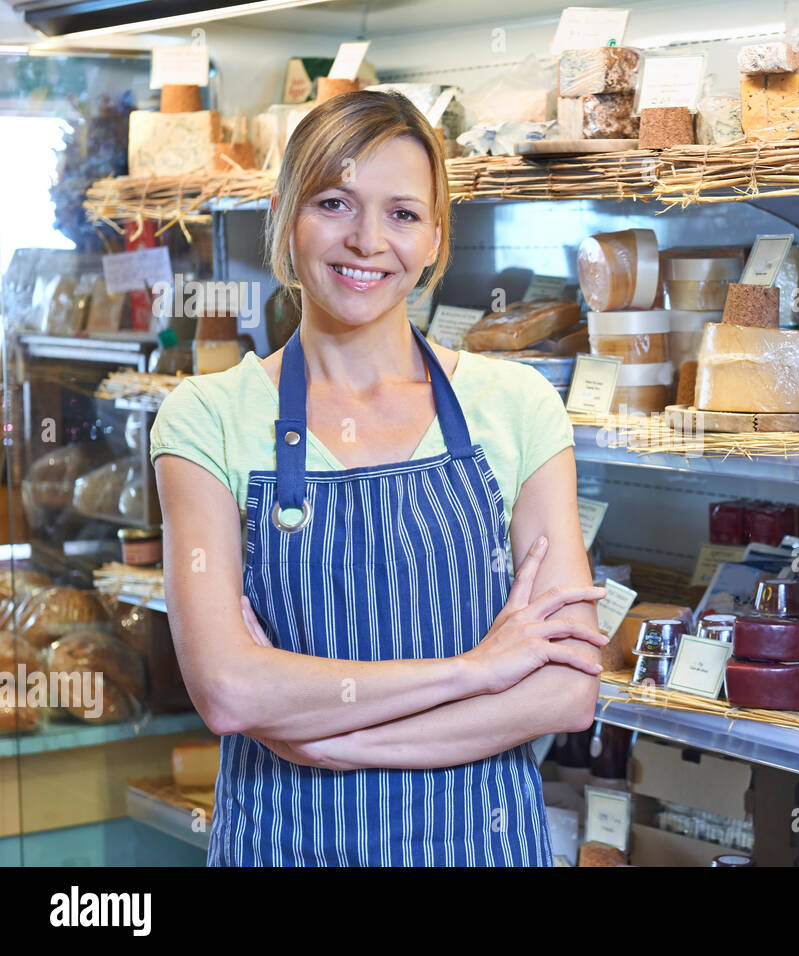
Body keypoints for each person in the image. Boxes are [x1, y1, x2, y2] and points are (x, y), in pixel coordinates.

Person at [150, 90, 607, 866]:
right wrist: (474, 670)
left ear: (434, 239)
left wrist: (328, 740)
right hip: (288, 845)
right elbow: (227, 690)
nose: (367, 241)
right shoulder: (207, 417)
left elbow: (565, 690)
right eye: (335, 203)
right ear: (285, 218)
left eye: (402, 214)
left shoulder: (517, 405)